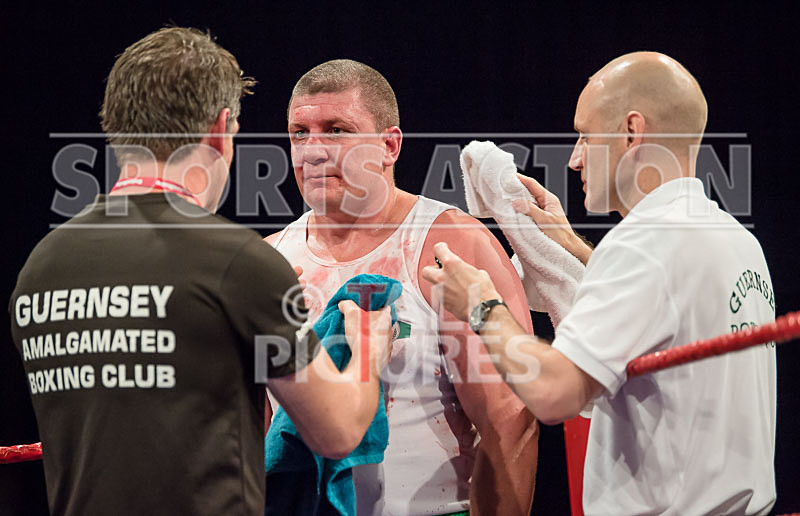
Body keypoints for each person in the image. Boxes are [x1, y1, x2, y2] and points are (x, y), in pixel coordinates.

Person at [9, 28, 392, 516]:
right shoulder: (236, 262)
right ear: (219, 129)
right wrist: (367, 345)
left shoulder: (40, 267)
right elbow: (336, 432)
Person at [422, 51, 777, 515]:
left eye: (585, 136)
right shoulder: (734, 240)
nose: (573, 159)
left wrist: (481, 304)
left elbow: (554, 394)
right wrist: (571, 246)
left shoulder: (643, 245)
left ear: (632, 131)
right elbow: (664, 306)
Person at [265, 59, 539, 515]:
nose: (312, 151)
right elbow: (260, 429)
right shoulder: (271, 261)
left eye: (336, 131)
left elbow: (510, 419)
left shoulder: (448, 243)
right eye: (299, 133)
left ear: (389, 146)